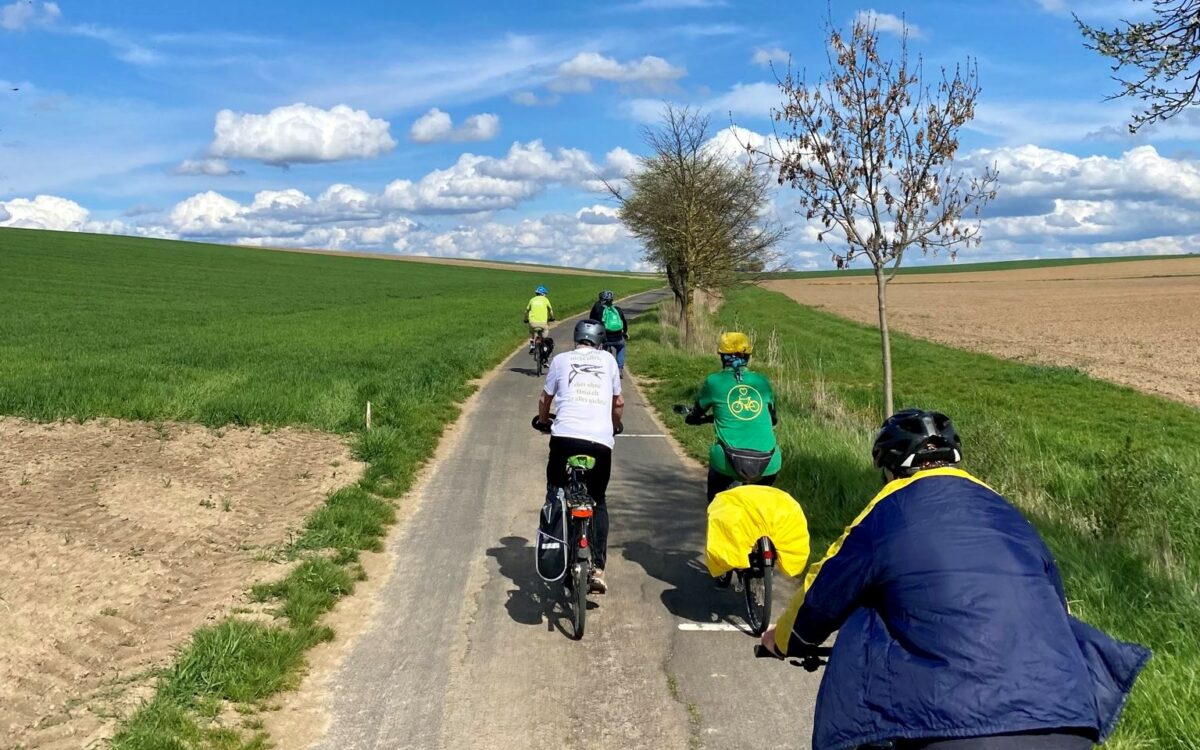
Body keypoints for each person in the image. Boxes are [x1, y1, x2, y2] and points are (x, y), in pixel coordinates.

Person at [762, 409, 1150, 750]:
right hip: (1067, 715)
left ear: (889, 468)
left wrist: (783, 640)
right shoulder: (1009, 513)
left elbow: (825, 593)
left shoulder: (886, 511)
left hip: (959, 724)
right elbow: (1057, 609)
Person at [534, 319, 623, 594]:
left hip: (565, 439)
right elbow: (618, 402)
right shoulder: (609, 360)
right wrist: (614, 424)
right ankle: (597, 568)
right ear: (599, 342)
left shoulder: (560, 360)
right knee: (598, 500)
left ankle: (556, 552)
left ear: (576, 340)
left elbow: (545, 399)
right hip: (600, 443)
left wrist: (544, 421)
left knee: (556, 492)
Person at [680, 332, 781, 504]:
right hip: (769, 460)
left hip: (729, 458)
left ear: (722, 357)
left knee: (717, 495)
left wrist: (694, 418)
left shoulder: (714, 382)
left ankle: (716, 510)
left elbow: (696, 412)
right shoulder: (761, 382)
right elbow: (772, 418)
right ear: (747, 357)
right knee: (763, 502)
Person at [588, 290, 628, 374]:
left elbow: (592, 320)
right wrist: (625, 333)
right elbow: (624, 323)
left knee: (602, 349)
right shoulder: (617, 310)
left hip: (605, 338)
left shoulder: (598, 309)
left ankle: (604, 368)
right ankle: (619, 368)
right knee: (621, 347)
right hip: (618, 337)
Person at [524, 285, 555, 352]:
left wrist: (525, 319)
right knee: (545, 332)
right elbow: (550, 310)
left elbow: (526, 311)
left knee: (532, 333)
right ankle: (544, 345)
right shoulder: (546, 300)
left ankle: (532, 346)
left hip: (532, 323)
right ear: (543, 294)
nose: (545, 295)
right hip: (543, 323)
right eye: (545, 294)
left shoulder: (532, 300)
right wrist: (552, 318)